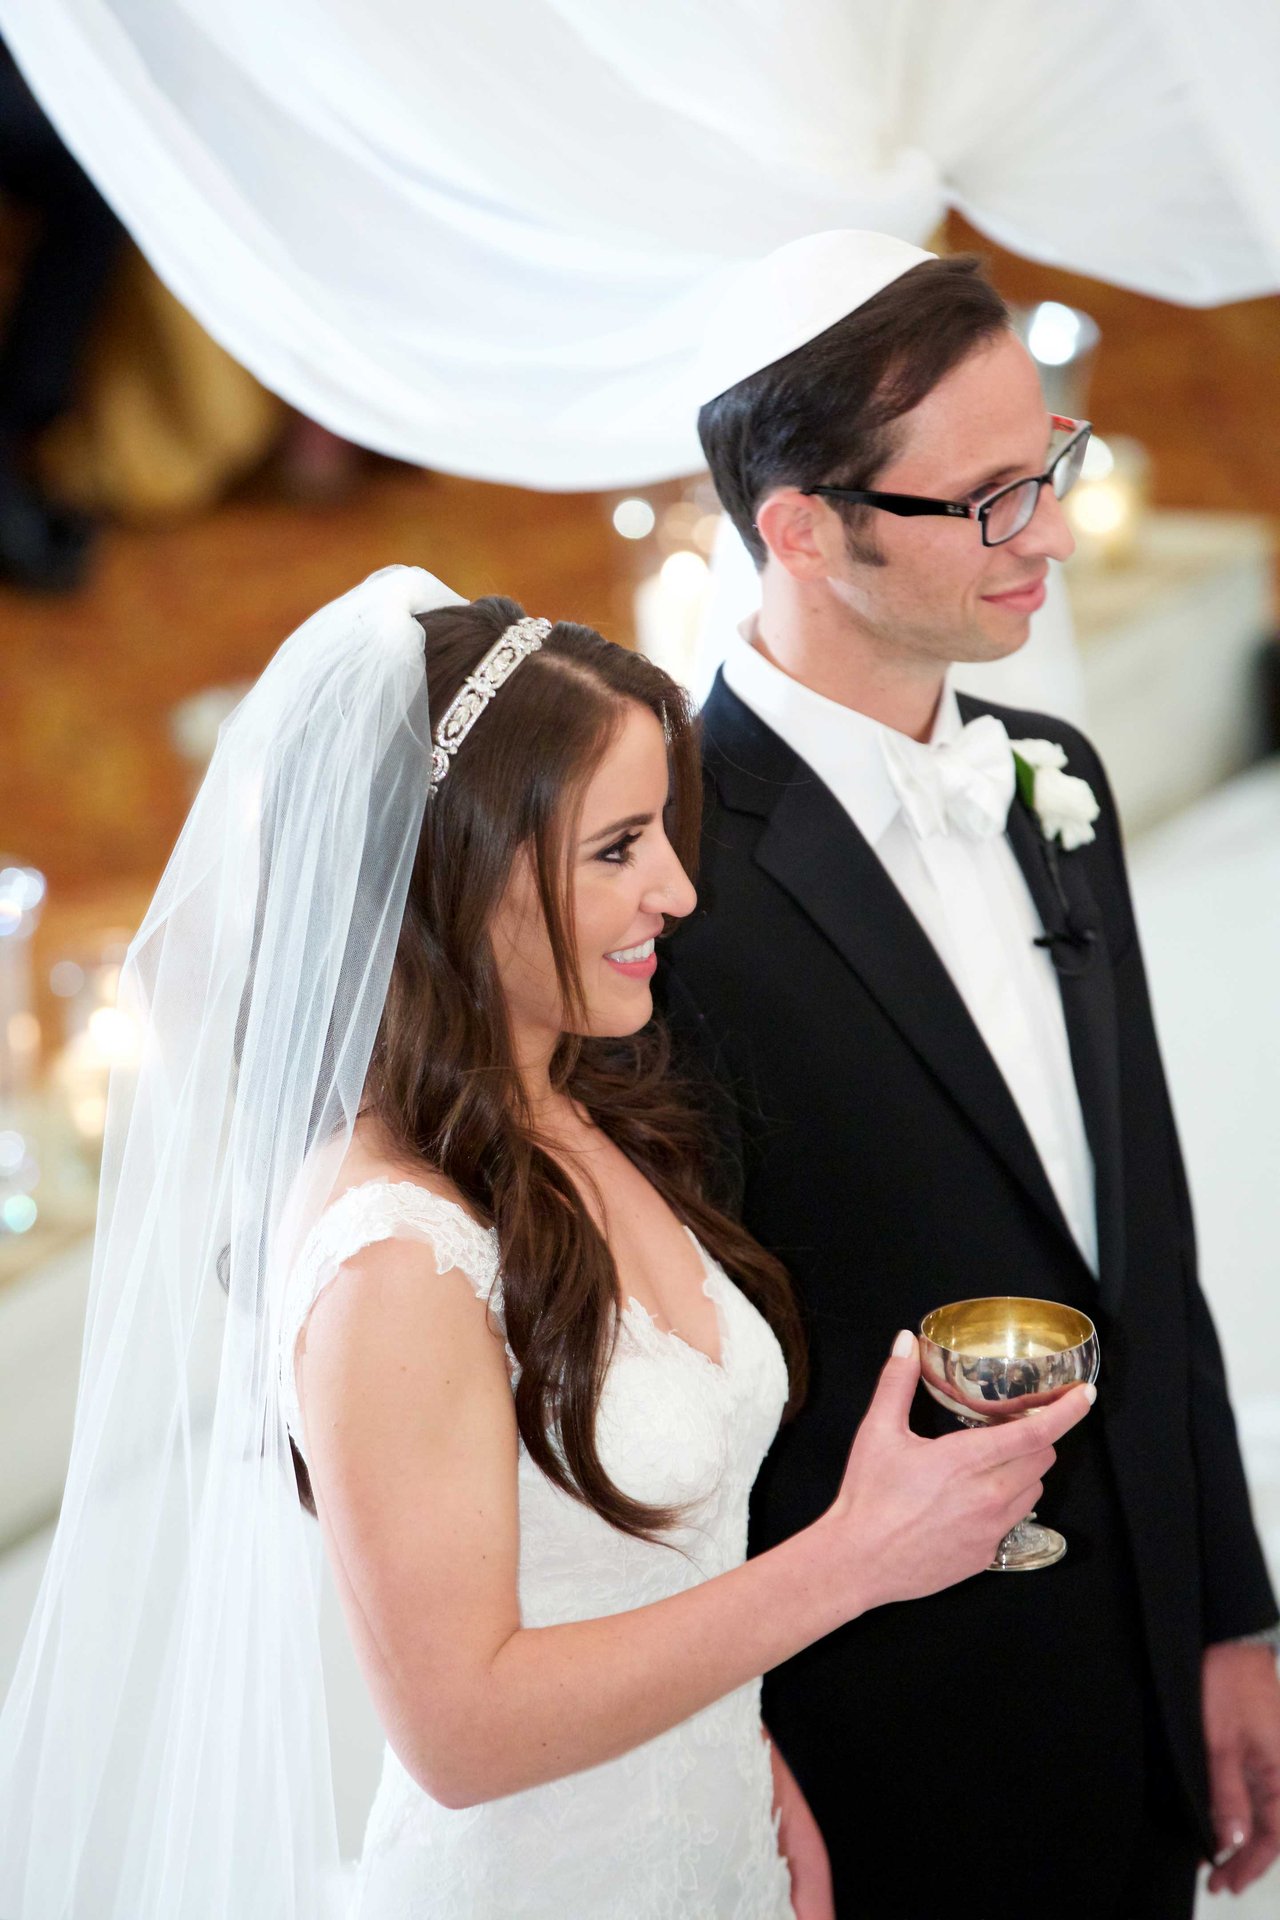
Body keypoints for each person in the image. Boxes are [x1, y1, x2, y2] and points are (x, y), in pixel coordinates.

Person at [0, 566, 1093, 1919]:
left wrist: (743, 1753)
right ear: (461, 880)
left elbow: (637, 1568)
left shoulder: (587, 1108)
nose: (680, 891)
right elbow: (461, 1732)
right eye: (619, 848)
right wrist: (853, 1559)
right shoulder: (393, 1253)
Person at [659, 229, 1280, 1919]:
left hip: (1143, 1671)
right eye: (993, 498)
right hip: (882, 1741)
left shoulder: (1049, 778)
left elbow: (1143, 1235)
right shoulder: (665, 885)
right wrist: (729, 1747)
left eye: (1052, 468)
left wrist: (1228, 1607)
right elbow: (650, 1402)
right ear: (801, 526)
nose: (1057, 535)